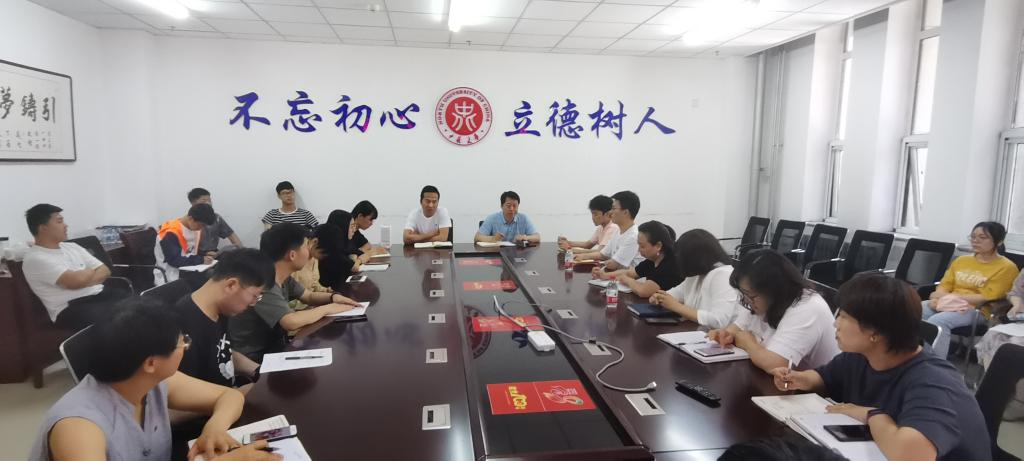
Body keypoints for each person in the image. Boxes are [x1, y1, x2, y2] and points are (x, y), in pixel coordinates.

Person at [772, 274, 991, 461]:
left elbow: (911, 455)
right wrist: (800, 379)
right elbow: (824, 378)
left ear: (875, 332)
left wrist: (872, 415)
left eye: (844, 317)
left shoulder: (934, 382)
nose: (835, 324)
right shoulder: (861, 356)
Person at [29, 299, 280, 461]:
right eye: (182, 342)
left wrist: (214, 428)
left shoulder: (150, 381)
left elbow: (229, 395)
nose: (186, 347)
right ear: (150, 362)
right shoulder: (78, 427)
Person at [229, 223, 361, 363]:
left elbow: (308, 296)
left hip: (276, 347)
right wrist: (328, 309)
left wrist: (334, 297)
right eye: (306, 246)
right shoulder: (264, 282)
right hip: (256, 358)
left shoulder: (283, 277)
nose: (309, 251)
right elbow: (291, 322)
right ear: (292, 255)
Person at [708, 250, 839, 373]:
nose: (747, 300)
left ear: (774, 290)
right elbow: (736, 329)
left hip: (813, 388)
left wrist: (748, 343)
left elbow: (777, 365)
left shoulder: (807, 308)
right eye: (743, 293)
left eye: (750, 295)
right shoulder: (758, 301)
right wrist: (725, 335)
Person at [172, 248, 273, 390]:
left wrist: (259, 371)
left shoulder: (221, 309)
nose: (253, 303)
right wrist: (242, 393)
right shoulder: (185, 325)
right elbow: (182, 395)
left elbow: (224, 354)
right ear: (231, 285)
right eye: (255, 296)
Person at [22, 204, 131, 330]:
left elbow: (105, 270)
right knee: (121, 318)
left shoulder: (72, 247)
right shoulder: (35, 258)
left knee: (139, 307)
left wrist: (83, 278)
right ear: (43, 228)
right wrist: (90, 272)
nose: (66, 225)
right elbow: (75, 282)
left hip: (99, 294)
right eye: (59, 221)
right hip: (71, 308)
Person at [923, 221, 1019, 358]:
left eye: (982, 237)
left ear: (998, 242)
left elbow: (985, 297)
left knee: (938, 321)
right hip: (947, 302)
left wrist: (947, 298)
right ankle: (913, 356)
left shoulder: (1007, 267)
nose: (975, 241)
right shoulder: (961, 261)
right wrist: (941, 298)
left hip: (978, 310)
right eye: (973, 237)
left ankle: (935, 363)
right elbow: (945, 285)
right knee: (914, 309)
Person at [649, 229, 739, 329]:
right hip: (696, 332)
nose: (678, 262)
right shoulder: (697, 274)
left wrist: (677, 307)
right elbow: (673, 294)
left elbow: (718, 321)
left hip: (716, 336)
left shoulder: (723, 275)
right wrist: (658, 297)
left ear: (694, 258)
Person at [593, 221, 681, 298]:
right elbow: (630, 273)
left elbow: (644, 291)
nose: (638, 249)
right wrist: (604, 275)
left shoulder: (670, 264)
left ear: (658, 246)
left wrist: (626, 279)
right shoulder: (652, 260)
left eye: (642, 246)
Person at [574, 191, 644, 272]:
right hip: (615, 275)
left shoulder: (634, 236)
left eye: (613, 208)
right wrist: (583, 256)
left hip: (628, 278)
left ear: (625, 212)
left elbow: (614, 264)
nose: (610, 212)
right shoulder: (618, 231)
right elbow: (603, 254)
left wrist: (598, 263)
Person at [155, 203, 217, 284]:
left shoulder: (194, 228)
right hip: (171, 275)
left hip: (189, 270)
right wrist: (201, 260)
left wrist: (205, 254)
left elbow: (189, 250)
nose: (201, 228)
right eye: (201, 225)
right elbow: (174, 260)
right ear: (190, 218)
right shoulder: (170, 232)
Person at [314, 210, 362, 289]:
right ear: (344, 226)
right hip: (330, 287)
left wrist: (355, 258)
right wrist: (357, 259)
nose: (354, 230)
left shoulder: (345, 242)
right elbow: (354, 267)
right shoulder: (331, 246)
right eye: (352, 226)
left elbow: (360, 253)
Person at [188, 187, 243, 254]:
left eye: (209, 200)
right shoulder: (190, 221)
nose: (208, 203)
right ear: (193, 203)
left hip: (213, 253)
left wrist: (242, 252)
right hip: (196, 255)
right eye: (204, 201)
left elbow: (231, 235)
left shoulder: (216, 218)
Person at [475, 191, 540, 245]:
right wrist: (493, 239)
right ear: (501, 206)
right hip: (496, 252)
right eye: (508, 206)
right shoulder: (492, 218)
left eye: (515, 206)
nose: (512, 209)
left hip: (517, 253)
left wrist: (525, 238)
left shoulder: (524, 218)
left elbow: (537, 237)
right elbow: (477, 237)